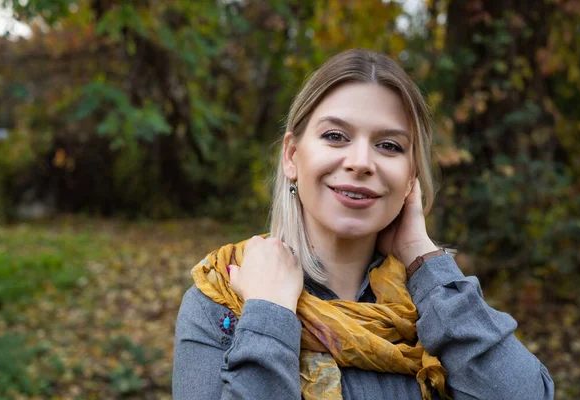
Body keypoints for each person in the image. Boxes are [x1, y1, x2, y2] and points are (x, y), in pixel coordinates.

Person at [172, 48, 554, 400]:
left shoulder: (437, 304)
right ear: (292, 156)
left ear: (410, 178)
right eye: (335, 136)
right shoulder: (224, 296)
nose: (360, 162)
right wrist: (269, 313)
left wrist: (421, 254)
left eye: (389, 145)